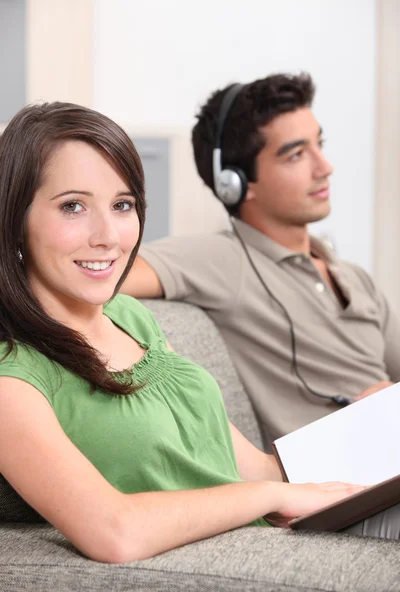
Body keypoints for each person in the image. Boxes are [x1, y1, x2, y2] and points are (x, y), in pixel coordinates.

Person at [1, 103, 399, 566]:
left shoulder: (130, 317)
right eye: (72, 206)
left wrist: (373, 439)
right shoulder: (14, 379)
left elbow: (255, 468)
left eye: (122, 205)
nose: (108, 235)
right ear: (14, 218)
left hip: (273, 536)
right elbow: (114, 532)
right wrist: (268, 498)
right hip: (240, 561)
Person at [122, 73, 400, 450]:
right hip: (344, 489)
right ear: (236, 182)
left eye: (320, 144)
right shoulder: (225, 259)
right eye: (297, 154)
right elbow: (100, 277)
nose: (325, 167)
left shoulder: (353, 277)